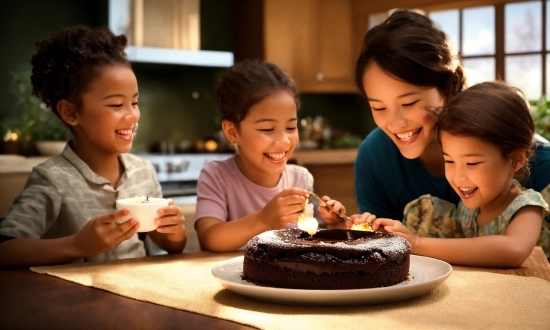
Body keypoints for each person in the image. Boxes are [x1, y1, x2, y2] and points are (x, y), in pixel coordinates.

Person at [0, 26, 187, 268]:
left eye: (135, 102)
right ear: (70, 112)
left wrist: (174, 234)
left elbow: (169, 245)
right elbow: (5, 249)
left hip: (140, 296)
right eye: (117, 105)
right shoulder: (53, 179)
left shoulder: (143, 171)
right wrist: (77, 245)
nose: (133, 116)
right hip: (79, 302)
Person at [353, 9, 550, 224]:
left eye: (409, 103)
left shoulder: (538, 162)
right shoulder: (375, 158)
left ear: (449, 88)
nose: (396, 123)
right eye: (379, 108)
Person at [358, 81, 549, 267]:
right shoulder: (468, 208)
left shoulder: (526, 206)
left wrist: (417, 243)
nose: (458, 177)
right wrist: (390, 233)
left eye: (472, 163)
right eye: (449, 161)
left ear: (515, 159)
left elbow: (512, 250)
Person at [195, 59, 346, 252]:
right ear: (232, 132)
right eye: (267, 129)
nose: (283, 141)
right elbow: (209, 238)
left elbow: (313, 240)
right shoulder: (217, 176)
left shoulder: (300, 178)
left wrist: (333, 226)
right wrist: (263, 219)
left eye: (291, 127)